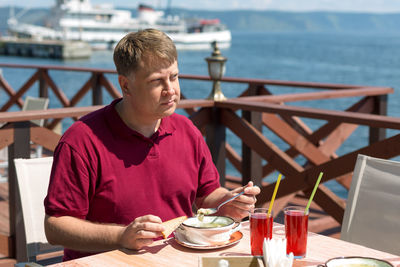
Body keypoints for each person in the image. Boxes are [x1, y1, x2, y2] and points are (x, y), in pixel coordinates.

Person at [44, 28, 260, 261]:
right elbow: (55, 227)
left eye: (174, 77)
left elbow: (207, 194)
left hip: (179, 260)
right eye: (157, 81)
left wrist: (228, 202)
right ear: (125, 85)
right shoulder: (81, 140)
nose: (171, 90)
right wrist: (121, 236)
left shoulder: (187, 130)